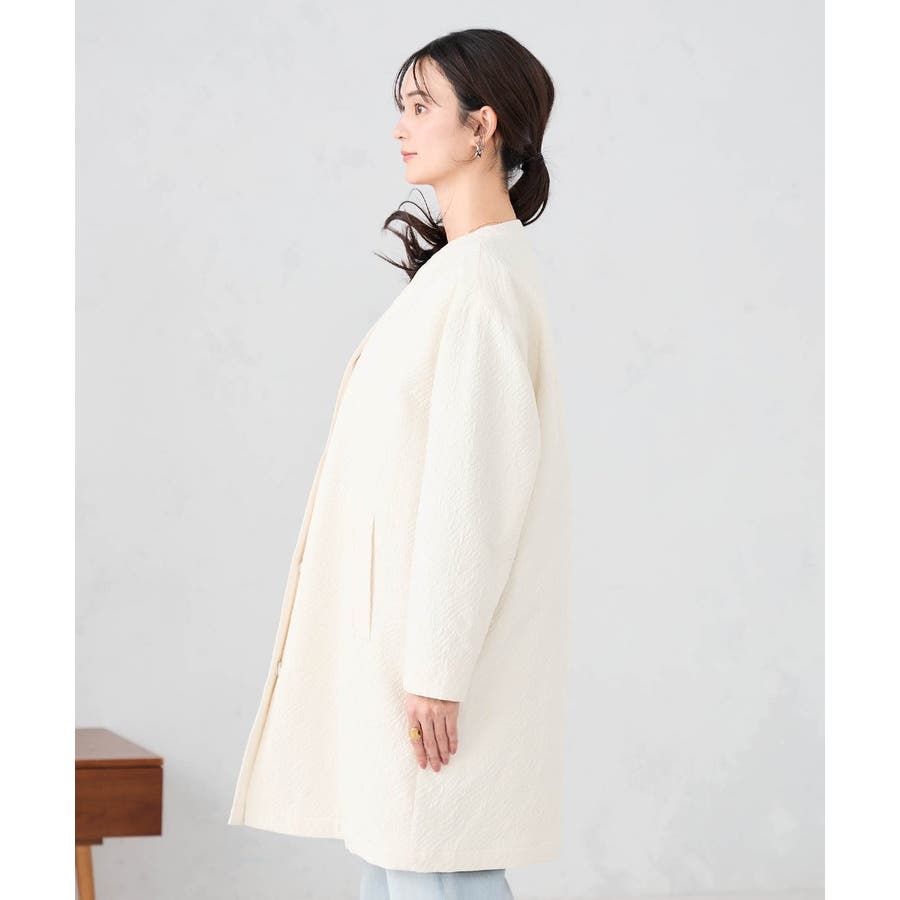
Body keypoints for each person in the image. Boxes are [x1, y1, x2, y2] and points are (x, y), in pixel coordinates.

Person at [227, 29, 571, 900]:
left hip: (428, 676)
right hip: (402, 664)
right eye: (401, 107)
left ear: (482, 126)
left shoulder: (482, 285)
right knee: (405, 868)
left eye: (421, 106)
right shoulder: (458, 276)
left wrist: (438, 675)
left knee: (437, 870)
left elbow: (475, 493)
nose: (399, 127)